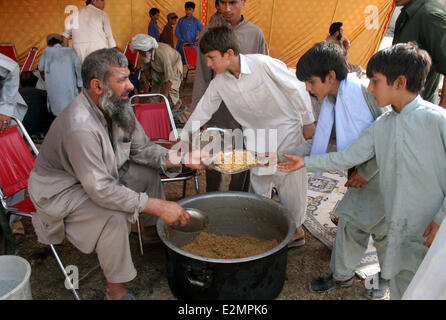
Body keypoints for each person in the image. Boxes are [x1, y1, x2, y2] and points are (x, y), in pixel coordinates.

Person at [28, 48, 203, 300]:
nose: (131, 85)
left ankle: (149, 231)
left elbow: (142, 149)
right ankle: (116, 291)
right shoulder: (79, 127)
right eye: (121, 80)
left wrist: (181, 157)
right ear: (97, 85)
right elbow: (101, 190)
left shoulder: (118, 107)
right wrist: (158, 206)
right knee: (113, 214)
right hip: (62, 191)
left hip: (100, 175)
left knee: (146, 174)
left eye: (129, 77)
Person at [278, 42, 446, 299]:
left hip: (429, 222)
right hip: (394, 211)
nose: (370, 86)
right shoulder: (383, 125)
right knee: (400, 271)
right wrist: (304, 161)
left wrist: (439, 219)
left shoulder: (436, 120)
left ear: (399, 82)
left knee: (426, 278)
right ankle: (358, 277)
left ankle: (357, 277)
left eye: (376, 81)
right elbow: (348, 155)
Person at [183, 26, 315, 248]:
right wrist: (185, 137)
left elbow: (297, 88)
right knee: (260, 181)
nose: (208, 64)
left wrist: (308, 122)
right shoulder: (219, 82)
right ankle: (265, 226)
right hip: (257, 136)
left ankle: (296, 230)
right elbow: (203, 110)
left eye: (211, 58)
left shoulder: (262, 64)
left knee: (289, 183)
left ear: (229, 54)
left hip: (286, 129)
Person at [292, 41, 389, 299]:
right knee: (351, 224)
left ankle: (386, 277)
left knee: (383, 232)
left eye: (311, 82)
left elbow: (390, 137)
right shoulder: (333, 100)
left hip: (382, 175)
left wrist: (366, 172)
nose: (308, 88)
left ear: (330, 76)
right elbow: (323, 140)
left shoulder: (366, 93)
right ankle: (342, 276)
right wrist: (287, 154)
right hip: (358, 174)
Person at [189, 0, 266, 193]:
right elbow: (202, 76)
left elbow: (259, 76)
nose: (227, 9)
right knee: (214, 161)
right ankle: (214, 202)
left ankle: (238, 202)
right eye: (222, 3)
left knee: (243, 162)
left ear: (244, 2)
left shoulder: (255, 34)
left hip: (246, 113)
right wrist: (201, 119)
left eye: (233, 2)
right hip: (218, 110)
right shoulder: (208, 33)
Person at [393, 0, 446, 108]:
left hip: (422, 113)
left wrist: (442, 110)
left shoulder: (429, 15)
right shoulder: (408, 12)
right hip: (404, 110)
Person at [0, 52, 28, 244]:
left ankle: (15, 219)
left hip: (2, 119)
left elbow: (11, 67)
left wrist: (4, 109)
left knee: (12, 170)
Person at [130, 34, 183, 110]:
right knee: (153, 91)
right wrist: (149, 80)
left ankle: (176, 104)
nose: (140, 53)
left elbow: (169, 78)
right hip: (157, 67)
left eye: (140, 51)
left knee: (171, 92)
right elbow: (146, 68)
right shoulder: (144, 53)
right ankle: (155, 106)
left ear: (147, 49)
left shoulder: (162, 55)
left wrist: (164, 96)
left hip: (174, 66)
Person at [39, 33, 83, 116]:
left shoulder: (47, 51)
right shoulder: (70, 51)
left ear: (48, 43)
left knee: (57, 114)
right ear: (61, 41)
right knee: (71, 112)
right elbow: (78, 68)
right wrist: (80, 84)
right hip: (70, 88)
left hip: (54, 90)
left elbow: (40, 67)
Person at [19, 71, 54, 139]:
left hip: (23, 131)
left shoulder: (16, 95)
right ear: (35, 82)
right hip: (42, 132)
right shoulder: (45, 94)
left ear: (20, 83)